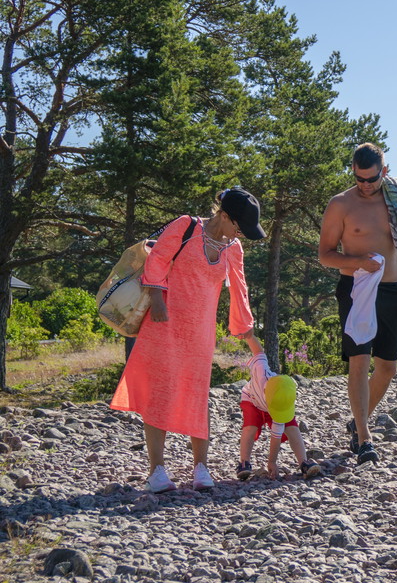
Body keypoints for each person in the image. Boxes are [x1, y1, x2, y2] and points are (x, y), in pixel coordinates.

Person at [111, 187, 266, 493]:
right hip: (164, 322)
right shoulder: (186, 227)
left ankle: (201, 468)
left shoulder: (233, 247)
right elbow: (156, 260)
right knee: (160, 392)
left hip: (200, 331)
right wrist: (157, 299)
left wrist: (244, 326)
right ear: (223, 215)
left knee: (197, 393)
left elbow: (240, 286)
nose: (242, 234)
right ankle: (156, 471)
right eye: (239, 226)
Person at [318, 143, 397, 465]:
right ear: (353, 172)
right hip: (356, 288)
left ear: (383, 172)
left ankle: (357, 421)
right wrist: (359, 260)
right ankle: (364, 438)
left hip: (392, 289)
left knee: (387, 367)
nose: (365, 185)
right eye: (359, 179)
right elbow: (325, 255)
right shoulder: (341, 205)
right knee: (359, 361)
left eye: (371, 179)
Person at [237, 337, 321, 480]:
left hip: (273, 403)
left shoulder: (284, 394)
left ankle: (304, 463)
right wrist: (249, 335)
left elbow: (275, 437)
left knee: (292, 427)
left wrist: (272, 462)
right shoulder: (261, 372)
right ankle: (244, 463)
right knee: (250, 427)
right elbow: (258, 352)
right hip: (251, 398)